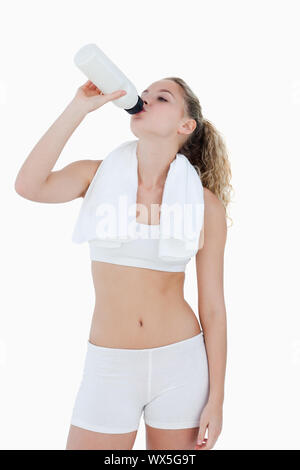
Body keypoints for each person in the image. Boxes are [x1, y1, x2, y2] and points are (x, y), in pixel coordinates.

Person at [14, 77, 233, 450]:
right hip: (109, 366)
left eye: (161, 97)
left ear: (185, 126)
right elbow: (29, 186)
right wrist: (78, 107)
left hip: (180, 365)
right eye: (144, 94)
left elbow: (212, 308)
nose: (145, 99)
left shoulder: (205, 205)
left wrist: (217, 399)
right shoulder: (95, 176)